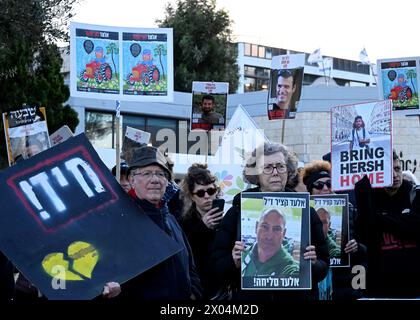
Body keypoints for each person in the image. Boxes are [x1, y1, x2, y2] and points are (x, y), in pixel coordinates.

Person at [209, 142, 329, 300]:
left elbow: (324, 264)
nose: (275, 172)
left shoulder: (307, 211)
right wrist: (233, 261)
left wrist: (313, 264)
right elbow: (217, 267)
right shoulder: (237, 211)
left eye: (280, 166)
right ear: (256, 174)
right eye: (267, 167)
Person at [104, 146, 202, 300]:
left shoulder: (171, 220)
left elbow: (190, 267)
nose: (155, 179)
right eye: (146, 173)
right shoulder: (119, 224)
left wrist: (194, 293)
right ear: (132, 180)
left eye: (160, 174)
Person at [354, 150, 420, 298]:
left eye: (397, 169)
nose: (395, 175)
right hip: (380, 285)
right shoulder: (370, 196)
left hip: (414, 286)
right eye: (389, 171)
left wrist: (378, 218)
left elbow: (415, 227)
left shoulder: (414, 193)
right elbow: (364, 232)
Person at [302, 160, 366, 300]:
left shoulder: (349, 208)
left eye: (329, 184)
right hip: (313, 280)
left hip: (343, 281)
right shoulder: (301, 212)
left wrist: (356, 247)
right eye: (319, 185)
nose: (325, 188)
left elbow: (366, 248)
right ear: (310, 190)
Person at [179, 163, 224, 298]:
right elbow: (186, 255)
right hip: (198, 288)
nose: (206, 196)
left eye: (210, 191)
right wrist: (202, 228)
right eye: (200, 193)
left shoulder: (227, 218)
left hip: (221, 288)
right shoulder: (184, 222)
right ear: (192, 196)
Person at [242, 208, 299, 278]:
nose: (269, 236)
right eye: (265, 227)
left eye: (276, 229)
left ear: (283, 233)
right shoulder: (243, 256)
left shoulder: (290, 269)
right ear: (256, 227)